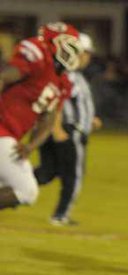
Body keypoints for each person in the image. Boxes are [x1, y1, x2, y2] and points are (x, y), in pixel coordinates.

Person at [0, 22, 82, 211]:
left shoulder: (62, 82)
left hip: (9, 136)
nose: (73, 51)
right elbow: (4, 77)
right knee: (26, 191)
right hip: (2, 131)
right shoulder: (39, 56)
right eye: (69, 44)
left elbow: (48, 118)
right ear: (53, 43)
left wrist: (31, 145)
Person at [34, 32, 102, 225]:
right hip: (67, 131)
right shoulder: (68, 75)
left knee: (47, 172)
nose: (87, 58)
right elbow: (57, 102)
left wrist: (90, 119)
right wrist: (57, 129)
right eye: (85, 53)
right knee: (73, 175)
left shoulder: (68, 74)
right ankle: (61, 215)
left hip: (61, 129)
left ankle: (8, 186)